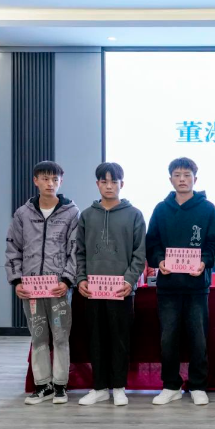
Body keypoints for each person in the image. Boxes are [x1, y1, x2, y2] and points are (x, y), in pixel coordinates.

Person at [5, 161, 79, 405]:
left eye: (55, 179)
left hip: (59, 288)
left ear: (61, 181)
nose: (50, 184)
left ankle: (60, 386)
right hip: (31, 289)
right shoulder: (22, 214)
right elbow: (13, 248)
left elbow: (75, 250)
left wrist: (67, 280)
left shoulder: (71, 213)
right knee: (38, 337)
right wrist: (17, 280)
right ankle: (42, 385)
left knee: (61, 337)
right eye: (45, 179)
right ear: (35, 181)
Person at [146, 157, 215, 406]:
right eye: (177, 175)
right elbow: (152, 242)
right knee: (168, 338)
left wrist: (204, 262)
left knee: (198, 337)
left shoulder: (208, 209)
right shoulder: (160, 209)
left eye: (187, 175)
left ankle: (198, 385)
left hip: (197, 286)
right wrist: (159, 260)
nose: (182, 179)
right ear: (170, 179)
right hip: (168, 287)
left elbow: (213, 244)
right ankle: (171, 385)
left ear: (195, 179)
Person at [76, 162, 146, 406]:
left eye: (114, 181)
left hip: (121, 290)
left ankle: (118, 387)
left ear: (121, 184)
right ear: (97, 184)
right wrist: (81, 279)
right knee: (96, 339)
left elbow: (139, 254)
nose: (109, 186)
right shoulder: (86, 215)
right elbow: (80, 252)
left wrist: (129, 280)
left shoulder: (134, 214)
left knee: (120, 339)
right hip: (93, 291)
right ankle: (99, 388)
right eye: (104, 181)